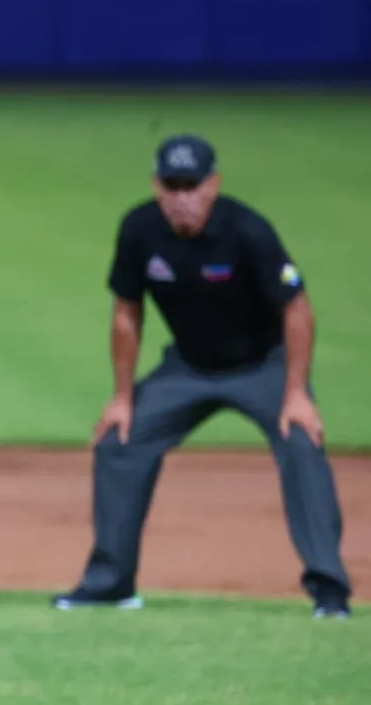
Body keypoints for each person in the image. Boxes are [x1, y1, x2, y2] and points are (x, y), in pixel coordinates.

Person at [52, 134, 352, 619]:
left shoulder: (247, 231)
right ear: (156, 186)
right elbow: (127, 312)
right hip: (188, 367)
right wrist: (122, 397)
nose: (181, 196)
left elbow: (296, 309)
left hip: (263, 365)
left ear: (213, 185)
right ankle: (111, 585)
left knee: (301, 440)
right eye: (171, 185)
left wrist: (296, 393)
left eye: (192, 185)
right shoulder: (140, 229)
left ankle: (330, 592)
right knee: (119, 441)